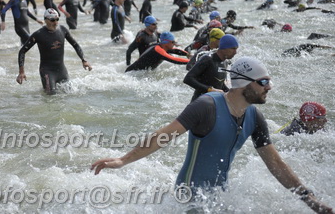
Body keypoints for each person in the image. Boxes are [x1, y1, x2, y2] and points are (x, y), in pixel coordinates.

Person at [91, 57, 334, 214]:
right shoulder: (206, 106)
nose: (269, 87)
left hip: (218, 198)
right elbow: (165, 135)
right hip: (189, 201)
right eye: (263, 81)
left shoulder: (255, 117)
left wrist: (309, 199)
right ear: (244, 84)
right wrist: (123, 160)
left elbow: (276, 164)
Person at [16, 8, 92, 94]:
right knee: (51, 97)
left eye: (57, 19)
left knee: (69, 94)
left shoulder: (63, 30)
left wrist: (83, 60)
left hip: (61, 70)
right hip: (47, 71)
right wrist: (21, 72)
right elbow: (22, 51)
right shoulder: (38, 34)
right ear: (45, 20)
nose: (55, 22)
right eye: (52, 20)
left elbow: (75, 45)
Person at [184, 34, 238, 102]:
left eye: (236, 49)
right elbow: (188, 79)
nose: (235, 52)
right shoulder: (208, 59)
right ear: (224, 48)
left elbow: (219, 83)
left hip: (213, 103)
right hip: (199, 103)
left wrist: (231, 93)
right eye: (233, 48)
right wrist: (210, 90)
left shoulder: (225, 62)